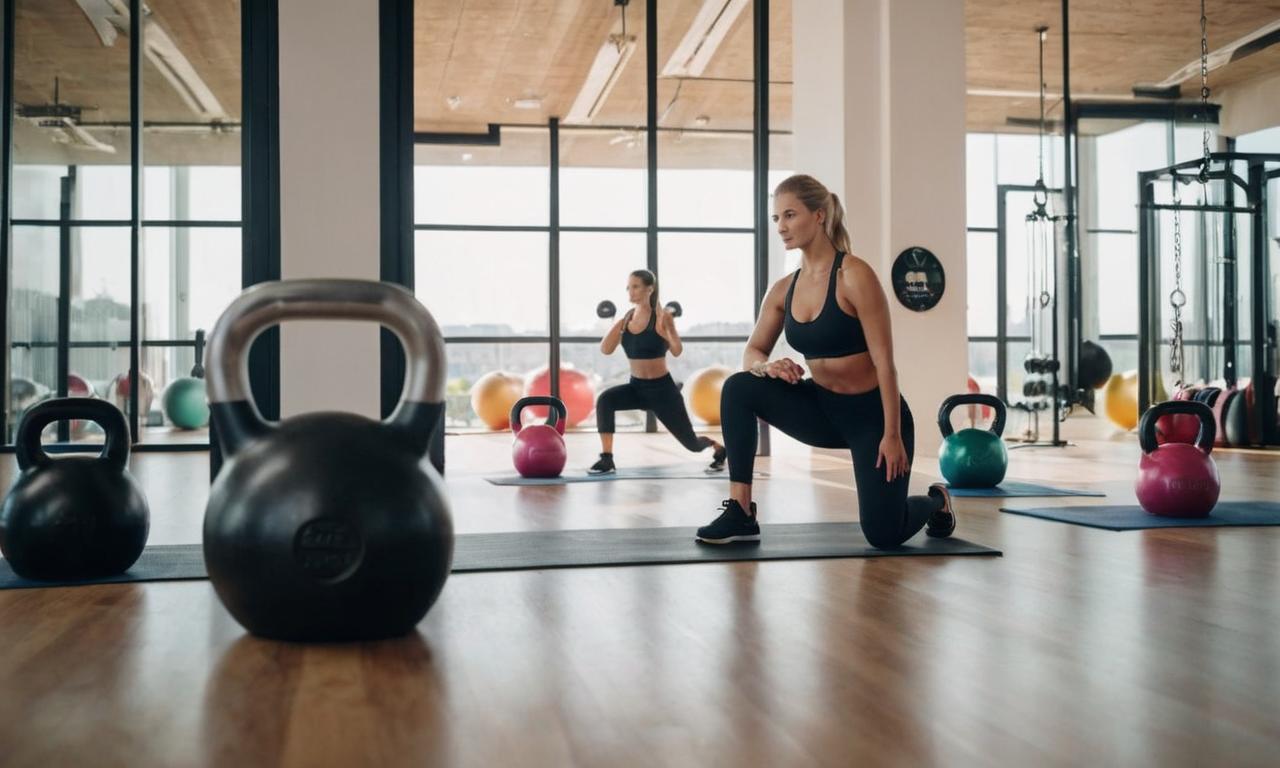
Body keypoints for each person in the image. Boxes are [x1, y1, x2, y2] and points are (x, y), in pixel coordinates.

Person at [695, 174, 955, 547]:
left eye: (790, 215)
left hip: (873, 419)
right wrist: (765, 367)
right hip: (820, 409)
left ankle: (936, 500)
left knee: (884, 534)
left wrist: (892, 434)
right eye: (776, 219)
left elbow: (886, 363)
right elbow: (752, 351)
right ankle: (741, 510)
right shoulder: (784, 288)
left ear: (818, 216)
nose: (781, 227)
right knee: (739, 387)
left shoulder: (855, 275)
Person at [589, 269, 727, 475]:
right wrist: (615, 326)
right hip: (636, 388)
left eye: (635, 286)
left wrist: (670, 329)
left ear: (649, 289)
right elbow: (606, 349)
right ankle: (607, 459)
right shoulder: (626, 319)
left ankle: (718, 448)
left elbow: (677, 351)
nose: (630, 291)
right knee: (605, 400)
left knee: (692, 444)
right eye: (628, 287)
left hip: (663, 391)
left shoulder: (661, 318)